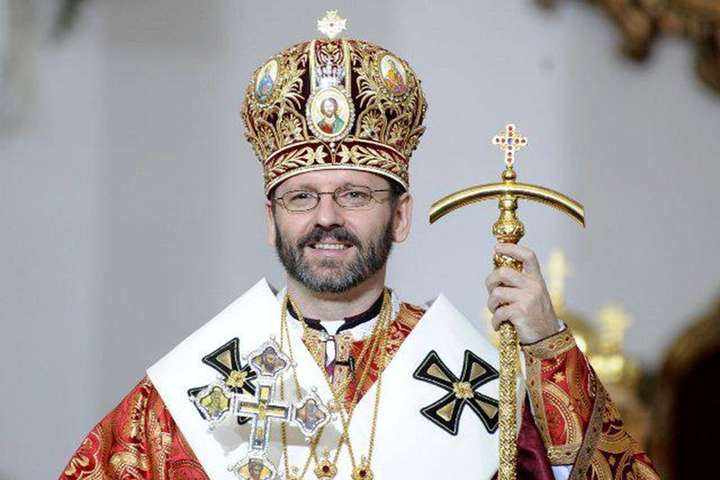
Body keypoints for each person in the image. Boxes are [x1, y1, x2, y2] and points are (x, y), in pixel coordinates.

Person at [60, 14, 658, 480]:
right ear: (271, 219)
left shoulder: (474, 385)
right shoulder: (186, 395)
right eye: (301, 197)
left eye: (354, 194)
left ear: (400, 216)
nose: (327, 217)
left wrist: (548, 346)